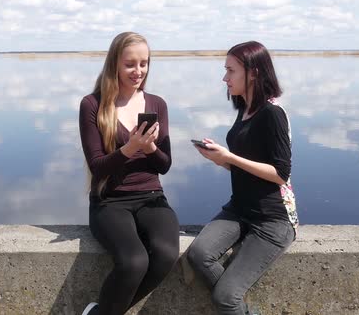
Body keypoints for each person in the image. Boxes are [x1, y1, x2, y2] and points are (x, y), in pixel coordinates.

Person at [187, 41, 299, 315]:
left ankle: (233, 304)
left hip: (272, 220)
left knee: (226, 297)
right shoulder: (245, 110)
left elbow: (280, 175)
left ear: (253, 73)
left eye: (230, 70)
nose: (224, 78)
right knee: (197, 255)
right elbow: (247, 169)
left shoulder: (273, 114)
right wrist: (221, 159)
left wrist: (230, 157)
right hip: (239, 210)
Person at [79, 32, 179, 315]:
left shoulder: (157, 104)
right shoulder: (92, 105)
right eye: (130, 64)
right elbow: (97, 167)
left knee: (166, 255)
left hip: (151, 197)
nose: (138, 71)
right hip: (109, 201)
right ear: (115, 65)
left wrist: (148, 149)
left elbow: (164, 165)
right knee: (134, 261)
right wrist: (130, 147)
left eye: (144, 63)